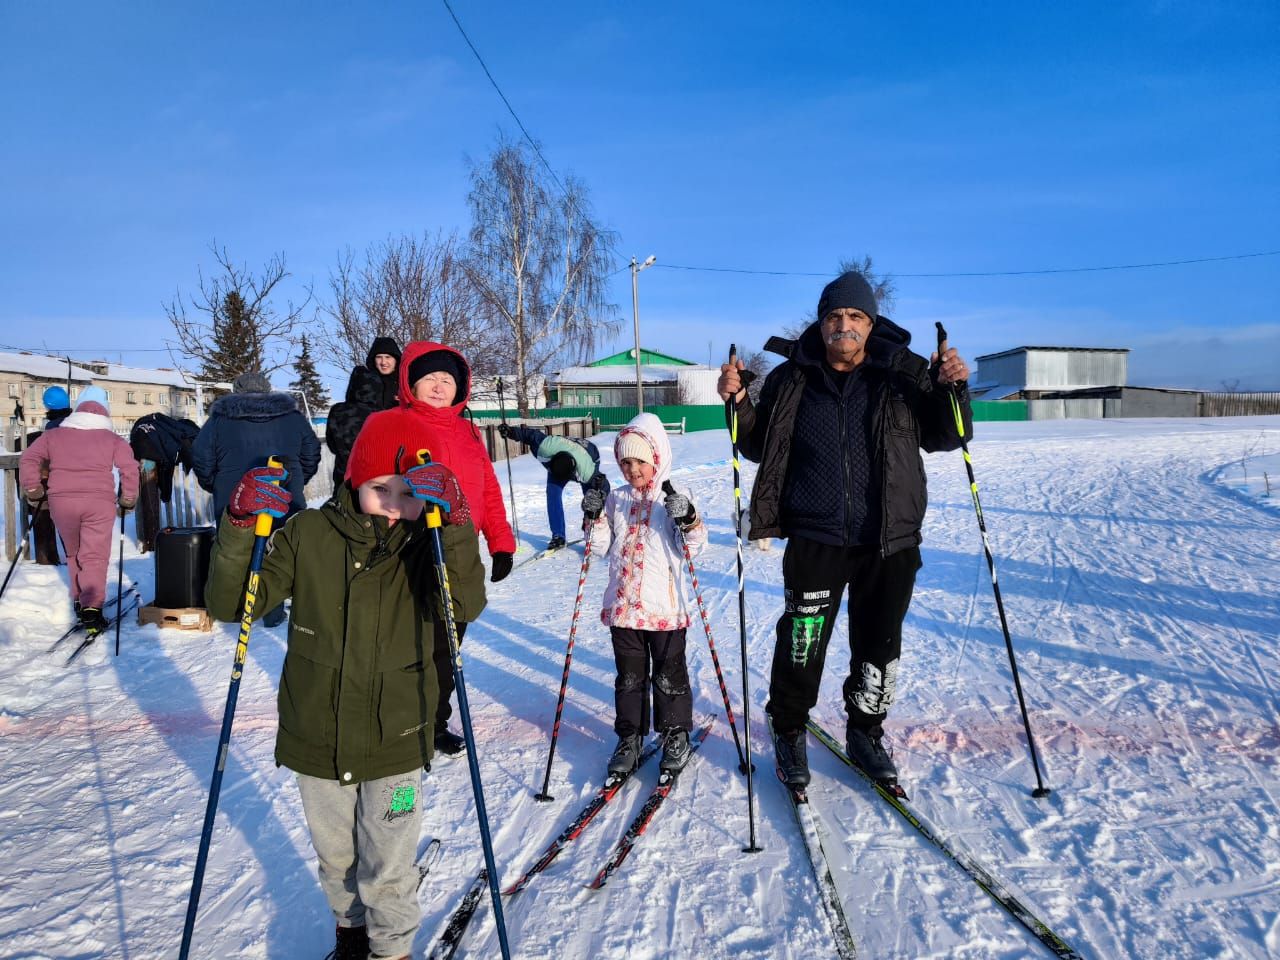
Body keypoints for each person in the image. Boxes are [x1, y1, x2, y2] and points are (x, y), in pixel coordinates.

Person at [204, 413, 481, 960]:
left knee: (389, 862)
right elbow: (232, 605)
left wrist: (454, 524)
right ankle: (350, 932)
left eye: (409, 494)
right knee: (336, 857)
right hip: (317, 733)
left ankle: (394, 948)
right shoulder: (308, 535)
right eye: (383, 490)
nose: (397, 504)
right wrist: (239, 526)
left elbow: (464, 606)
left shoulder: (425, 542)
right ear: (353, 480)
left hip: (398, 735)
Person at [716, 270, 973, 789]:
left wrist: (953, 389)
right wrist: (738, 402)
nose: (844, 325)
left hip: (889, 539)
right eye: (834, 315)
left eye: (855, 316)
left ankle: (865, 730)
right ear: (822, 321)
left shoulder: (902, 373)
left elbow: (950, 435)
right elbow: (756, 445)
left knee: (879, 647)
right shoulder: (792, 379)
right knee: (802, 644)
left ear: (870, 323)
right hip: (816, 537)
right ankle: (788, 729)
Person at [397, 341, 516, 756]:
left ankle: (434, 723)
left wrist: (500, 541)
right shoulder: (397, 424)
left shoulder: (467, 430)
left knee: (448, 648)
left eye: (446, 379)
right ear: (410, 382)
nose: (437, 386)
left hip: (460, 551)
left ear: (459, 387)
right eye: (428, 377)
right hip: (410, 549)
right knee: (413, 647)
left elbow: (488, 487)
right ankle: (404, 725)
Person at [581, 412, 706, 775]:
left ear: (657, 459)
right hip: (623, 609)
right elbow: (598, 546)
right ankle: (630, 737)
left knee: (669, 675)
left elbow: (693, 547)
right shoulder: (616, 499)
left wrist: (688, 518)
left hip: (664, 608)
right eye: (626, 462)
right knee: (629, 678)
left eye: (640, 461)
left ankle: (675, 733)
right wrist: (594, 517)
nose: (633, 469)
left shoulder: (673, 496)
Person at [193, 371, 321, 626]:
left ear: (235, 390)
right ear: (267, 390)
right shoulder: (292, 418)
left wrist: (215, 484)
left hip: (235, 497)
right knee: (280, 551)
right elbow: (311, 452)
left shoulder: (219, 420)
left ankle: (239, 606)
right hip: (284, 494)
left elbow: (201, 457)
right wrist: (295, 480)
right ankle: (272, 610)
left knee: (235, 550)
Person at [18, 386, 138, 633]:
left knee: (74, 553)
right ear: (105, 410)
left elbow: (28, 458)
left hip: (62, 502)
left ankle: (78, 599)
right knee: (93, 555)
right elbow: (130, 468)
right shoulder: (113, 439)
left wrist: (33, 489)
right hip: (99, 503)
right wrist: (128, 498)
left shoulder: (53, 436)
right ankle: (91, 607)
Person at [497, 422, 610, 548]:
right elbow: (529, 435)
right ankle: (558, 536)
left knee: (592, 500)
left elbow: (605, 486)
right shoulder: (546, 447)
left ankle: (591, 530)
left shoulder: (587, 471)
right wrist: (511, 431)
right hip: (560, 463)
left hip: (589, 454)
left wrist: (597, 504)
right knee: (552, 493)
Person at [24, 386, 74, 565]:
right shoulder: (78, 421)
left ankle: (72, 564)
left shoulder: (53, 427)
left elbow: (46, 456)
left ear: (50, 406)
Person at [325, 365, 383, 488]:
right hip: (372, 478)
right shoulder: (380, 415)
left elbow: (331, 445)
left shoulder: (337, 411)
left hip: (342, 475)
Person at [366, 336, 402, 411]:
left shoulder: (405, 384)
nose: (383, 362)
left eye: (388, 357)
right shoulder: (365, 383)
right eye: (379, 357)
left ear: (396, 360)